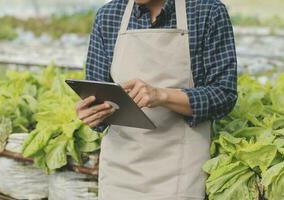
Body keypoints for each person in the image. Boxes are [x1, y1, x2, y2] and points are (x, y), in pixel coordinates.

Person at [76, 0, 237, 199]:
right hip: (120, 172)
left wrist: (161, 95)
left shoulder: (208, 12)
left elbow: (224, 95)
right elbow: (99, 95)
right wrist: (92, 114)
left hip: (181, 171)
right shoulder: (108, 16)